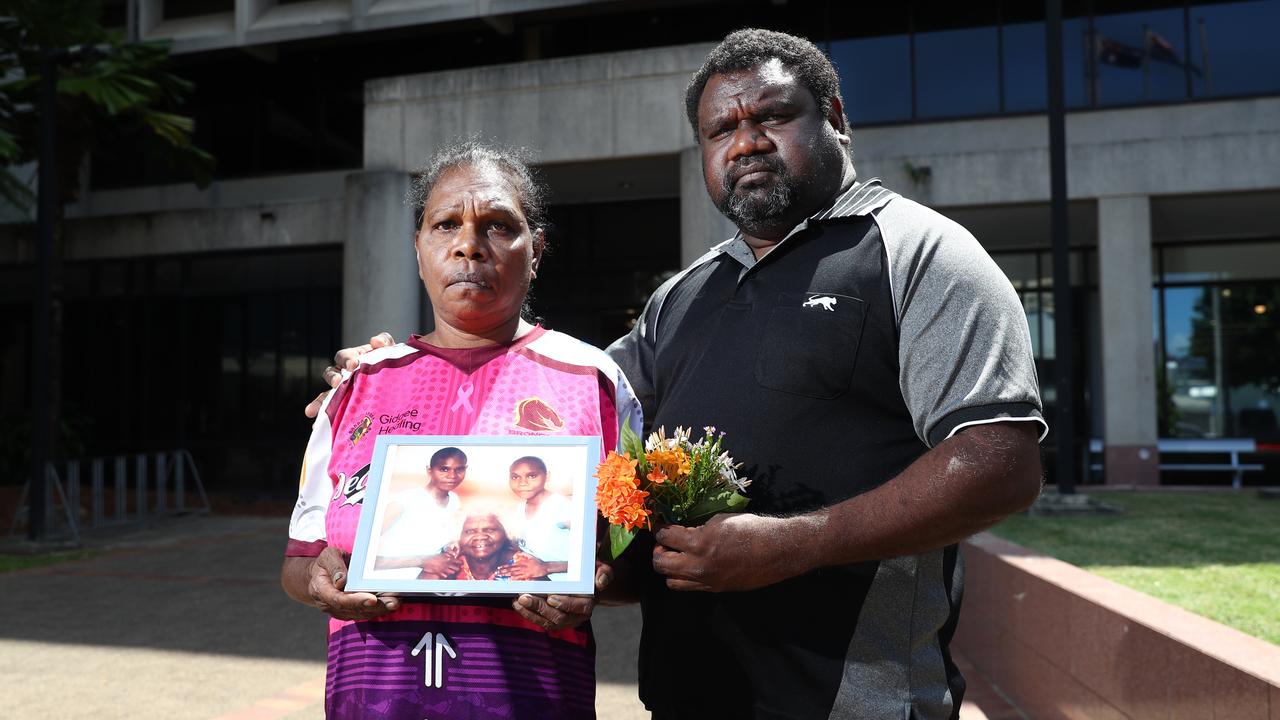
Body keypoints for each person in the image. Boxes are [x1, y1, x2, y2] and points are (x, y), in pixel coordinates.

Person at [312, 29, 1045, 719]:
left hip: (853, 699)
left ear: (836, 118)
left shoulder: (921, 254)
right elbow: (557, 406)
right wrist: (398, 371)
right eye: (720, 131)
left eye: (773, 117)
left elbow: (1000, 462)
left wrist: (792, 544)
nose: (747, 142)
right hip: (688, 696)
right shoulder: (681, 298)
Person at [282, 140, 642, 720]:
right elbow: (298, 561)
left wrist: (595, 581)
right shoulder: (358, 386)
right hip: (373, 701)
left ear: (537, 248)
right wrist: (320, 580)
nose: (468, 244)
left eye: (498, 225)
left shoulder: (594, 382)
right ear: (419, 248)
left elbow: (640, 561)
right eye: (445, 224)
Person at [371, 446, 467, 580]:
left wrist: (449, 545)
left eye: (459, 469)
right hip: (386, 582)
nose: (452, 476)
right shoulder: (405, 500)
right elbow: (365, 559)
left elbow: (433, 540)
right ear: (429, 470)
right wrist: (423, 561)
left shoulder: (454, 501)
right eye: (444, 469)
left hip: (423, 583)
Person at [503, 455, 573, 582]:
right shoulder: (519, 509)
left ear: (547, 476)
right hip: (535, 582)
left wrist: (546, 567)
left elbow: (590, 561)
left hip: (564, 585)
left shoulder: (563, 508)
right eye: (515, 477)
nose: (522, 483)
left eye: (531, 476)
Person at [444, 511, 549, 581]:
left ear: (506, 534)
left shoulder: (526, 566)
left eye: (490, 530)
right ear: (459, 538)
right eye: (470, 531)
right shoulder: (450, 564)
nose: (480, 537)